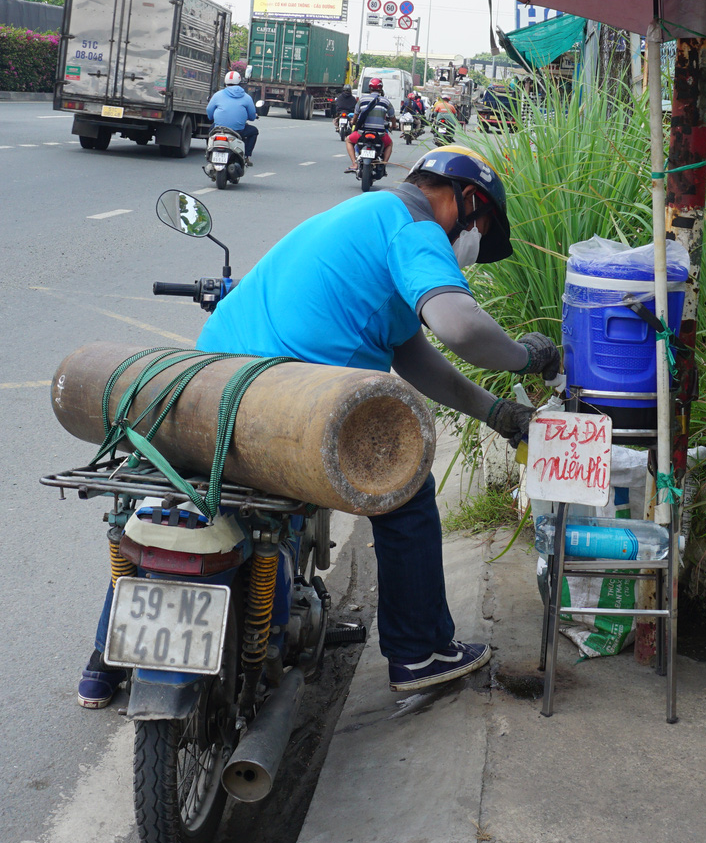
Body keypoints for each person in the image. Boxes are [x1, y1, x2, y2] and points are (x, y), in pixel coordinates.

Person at [76, 145, 558, 705]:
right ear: (466, 200)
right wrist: (528, 357)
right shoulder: (414, 225)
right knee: (404, 486)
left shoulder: (359, 216)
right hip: (277, 411)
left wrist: (498, 414)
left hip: (201, 390)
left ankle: (104, 662)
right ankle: (421, 652)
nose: (466, 248)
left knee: (178, 505)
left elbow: (414, 356)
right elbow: (461, 329)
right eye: (480, 231)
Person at [206, 70, 260, 161]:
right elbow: (251, 116)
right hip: (238, 131)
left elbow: (209, 110)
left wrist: (211, 117)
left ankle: (209, 152)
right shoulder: (246, 97)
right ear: (239, 82)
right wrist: (254, 116)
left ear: (225, 82)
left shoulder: (217, 95)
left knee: (210, 133)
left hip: (218, 128)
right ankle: (246, 156)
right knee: (254, 131)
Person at [349, 77, 397, 163]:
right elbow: (392, 116)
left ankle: (354, 163)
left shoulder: (362, 99)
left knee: (348, 140)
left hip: (363, 132)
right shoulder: (386, 101)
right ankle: (384, 163)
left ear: (369, 88)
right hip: (380, 134)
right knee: (389, 144)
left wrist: (353, 122)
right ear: (381, 88)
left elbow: (355, 115)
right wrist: (394, 125)